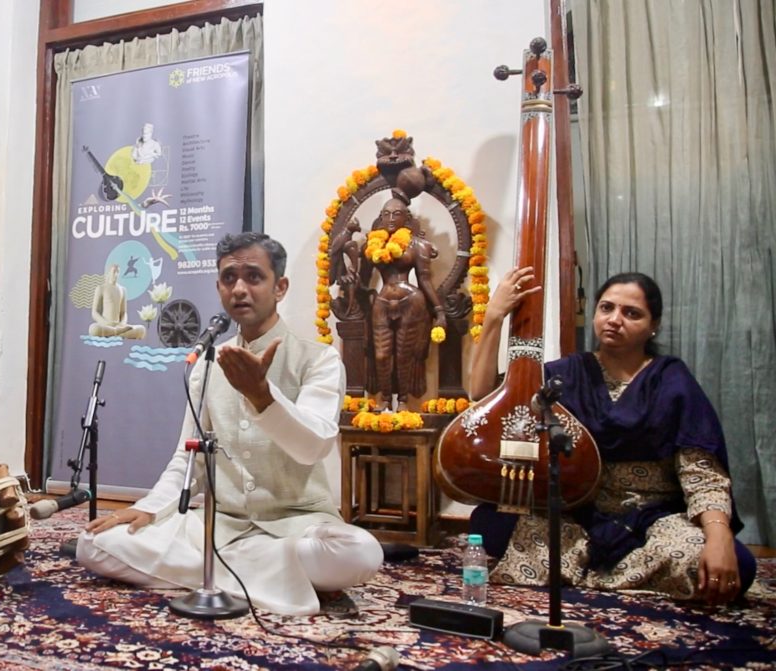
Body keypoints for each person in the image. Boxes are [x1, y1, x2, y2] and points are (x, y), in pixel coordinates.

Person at [76, 232, 384, 615]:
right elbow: (189, 458)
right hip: (219, 524)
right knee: (92, 543)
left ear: (280, 287)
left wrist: (263, 397)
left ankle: (213, 571)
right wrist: (151, 508)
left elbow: (314, 446)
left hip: (297, 524)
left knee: (360, 553)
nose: (239, 288)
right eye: (228, 278)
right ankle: (259, 573)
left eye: (253, 276)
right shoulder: (208, 363)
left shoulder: (318, 359)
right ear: (219, 288)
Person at [467, 268, 756, 604]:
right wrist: (494, 316)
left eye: (631, 313)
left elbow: (701, 472)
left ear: (653, 325)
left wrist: (719, 536)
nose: (615, 319)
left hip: (654, 520)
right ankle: (619, 571)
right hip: (579, 515)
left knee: (739, 565)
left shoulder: (671, 380)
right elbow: (483, 393)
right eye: (607, 308)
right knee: (487, 522)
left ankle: (580, 569)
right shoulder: (566, 374)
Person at [362, 196, 447, 407]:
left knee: (403, 354)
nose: (391, 218)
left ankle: (402, 400)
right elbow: (363, 280)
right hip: (382, 301)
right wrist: (359, 288)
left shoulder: (417, 245)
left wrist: (439, 311)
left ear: (406, 218)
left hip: (411, 301)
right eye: (386, 214)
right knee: (381, 355)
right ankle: (384, 399)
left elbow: (425, 280)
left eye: (396, 214)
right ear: (381, 218)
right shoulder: (372, 244)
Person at [87, 263, 145, 339]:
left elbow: (123, 312)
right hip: (106, 325)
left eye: (118, 272)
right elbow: (94, 312)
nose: (116, 274)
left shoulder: (122, 290)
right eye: (114, 271)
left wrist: (122, 324)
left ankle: (114, 332)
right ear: (108, 273)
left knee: (142, 329)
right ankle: (117, 332)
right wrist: (106, 323)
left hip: (118, 325)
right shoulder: (101, 288)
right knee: (94, 329)